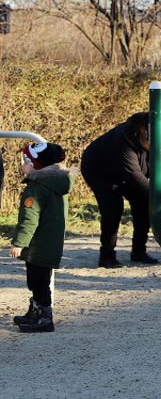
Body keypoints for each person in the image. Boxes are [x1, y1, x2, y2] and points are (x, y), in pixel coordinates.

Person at [9, 142, 73, 333]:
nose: (22, 166)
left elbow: (29, 219)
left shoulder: (37, 189)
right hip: (49, 243)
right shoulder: (56, 184)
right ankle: (36, 311)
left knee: (39, 282)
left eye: (25, 162)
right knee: (39, 280)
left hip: (39, 245)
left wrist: (19, 243)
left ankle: (44, 317)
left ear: (36, 165)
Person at [81, 112, 157, 267]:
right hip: (100, 172)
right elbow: (134, 175)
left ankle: (139, 251)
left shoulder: (148, 136)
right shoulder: (124, 140)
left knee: (143, 202)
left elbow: (148, 168)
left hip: (124, 171)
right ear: (142, 130)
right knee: (113, 208)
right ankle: (107, 255)